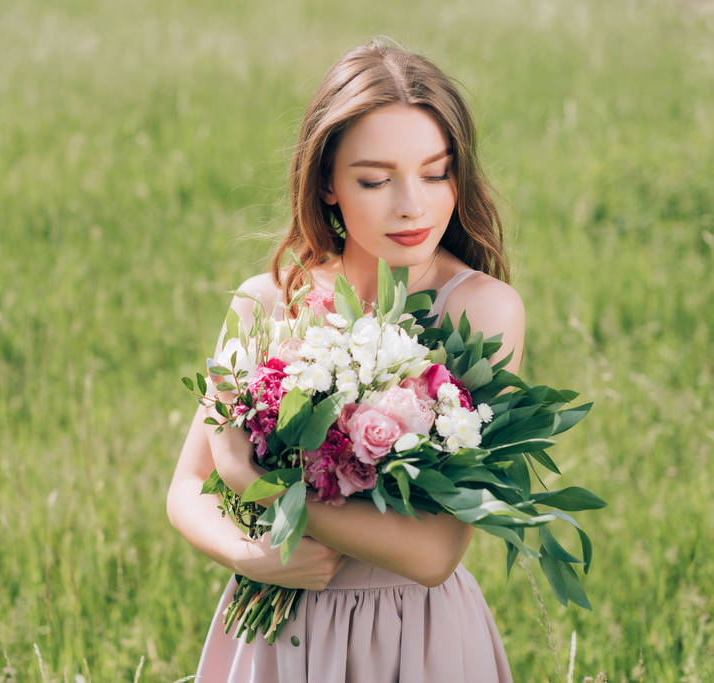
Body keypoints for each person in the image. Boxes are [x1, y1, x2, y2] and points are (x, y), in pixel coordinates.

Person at [167, 39, 522, 682]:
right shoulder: (267, 302)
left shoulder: (480, 311)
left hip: (412, 635)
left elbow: (434, 553)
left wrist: (257, 482)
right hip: (280, 632)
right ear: (327, 182)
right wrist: (250, 556)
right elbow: (187, 488)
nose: (412, 205)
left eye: (436, 173)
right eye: (375, 180)